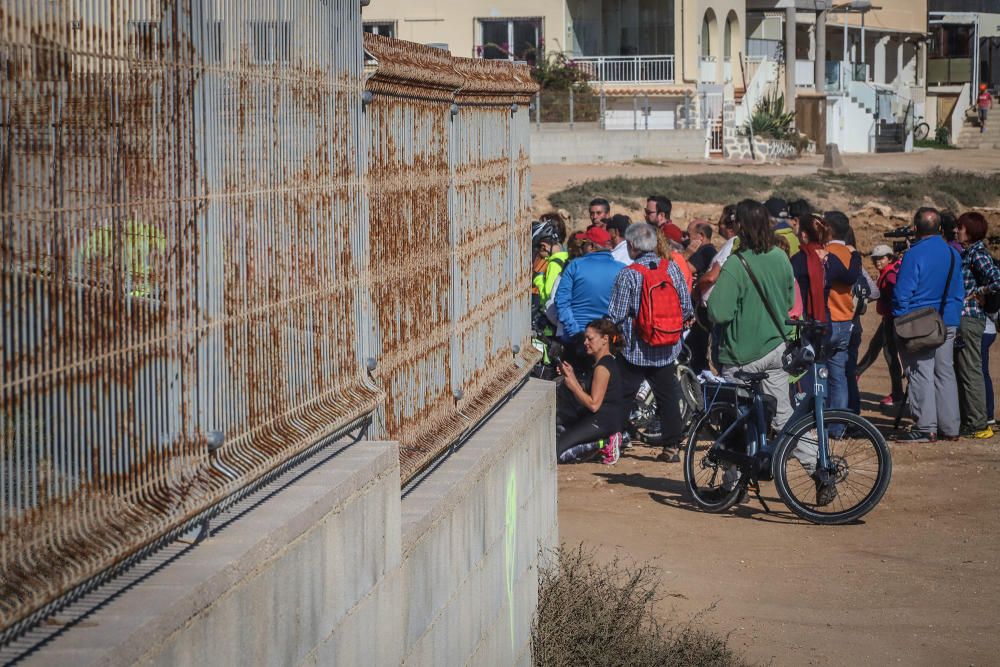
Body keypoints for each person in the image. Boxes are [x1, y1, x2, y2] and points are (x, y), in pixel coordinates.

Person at [707, 199, 795, 432]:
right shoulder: (780, 256)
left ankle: (737, 467)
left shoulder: (736, 264)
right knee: (783, 417)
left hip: (742, 354)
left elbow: (718, 312)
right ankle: (817, 463)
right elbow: (789, 302)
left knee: (739, 421)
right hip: (777, 347)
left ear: (740, 228)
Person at [608, 222, 693, 462]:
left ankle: (617, 441)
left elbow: (616, 314)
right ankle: (672, 447)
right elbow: (686, 307)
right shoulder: (672, 269)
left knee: (623, 394)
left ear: (632, 245)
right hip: (666, 346)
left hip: (636, 348)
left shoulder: (629, 274)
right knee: (667, 395)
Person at [892, 207, 965, 443]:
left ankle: (925, 428)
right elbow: (958, 291)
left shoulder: (914, 254)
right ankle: (950, 427)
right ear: (941, 228)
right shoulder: (953, 253)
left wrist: (900, 321)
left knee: (920, 372)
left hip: (920, 323)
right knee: (945, 373)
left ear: (915, 229)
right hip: (948, 321)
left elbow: (902, 294)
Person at [556, 319, 628, 464]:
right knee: (559, 439)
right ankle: (609, 440)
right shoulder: (603, 362)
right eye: (585, 338)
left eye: (590, 338)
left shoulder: (602, 367)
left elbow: (594, 404)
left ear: (605, 340)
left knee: (557, 453)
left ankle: (606, 443)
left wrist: (574, 386)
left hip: (602, 422)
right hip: (601, 420)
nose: (585, 343)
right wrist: (572, 377)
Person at [954, 212, 1000, 438]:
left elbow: (997, 279)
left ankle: (978, 423)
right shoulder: (970, 253)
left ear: (970, 231)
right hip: (967, 318)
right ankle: (972, 420)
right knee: (965, 370)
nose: (956, 231)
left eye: (960, 228)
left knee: (971, 371)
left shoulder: (978, 254)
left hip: (971, 318)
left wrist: (978, 292)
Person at [555, 231, 625, 372]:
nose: (581, 248)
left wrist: (576, 333)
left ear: (591, 245)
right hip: (607, 342)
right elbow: (624, 308)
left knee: (571, 387)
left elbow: (561, 301)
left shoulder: (575, 265)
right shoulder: (622, 269)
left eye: (584, 244)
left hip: (575, 340)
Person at [857, 245, 905, 407]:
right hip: (888, 319)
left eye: (882, 258)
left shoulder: (890, 276)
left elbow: (896, 297)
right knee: (874, 348)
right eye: (876, 259)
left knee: (890, 356)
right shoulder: (887, 272)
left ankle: (897, 393)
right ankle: (856, 374)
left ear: (890, 258)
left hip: (892, 320)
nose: (878, 261)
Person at [685, 220, 717, 372]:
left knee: (695, 349)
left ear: (701, 237)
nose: (685, 239)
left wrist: (686, 254)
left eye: (688, 235)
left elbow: (685, 269)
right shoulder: (710, 251)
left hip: (698, 311)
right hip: (699, 310)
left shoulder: (705, 251)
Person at [531, 219, 568, 308]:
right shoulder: (566, 257)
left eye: (538, 248)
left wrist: (538, 279)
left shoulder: (554, 264)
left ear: (544, 246)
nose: (539, 253)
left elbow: (548, 294)